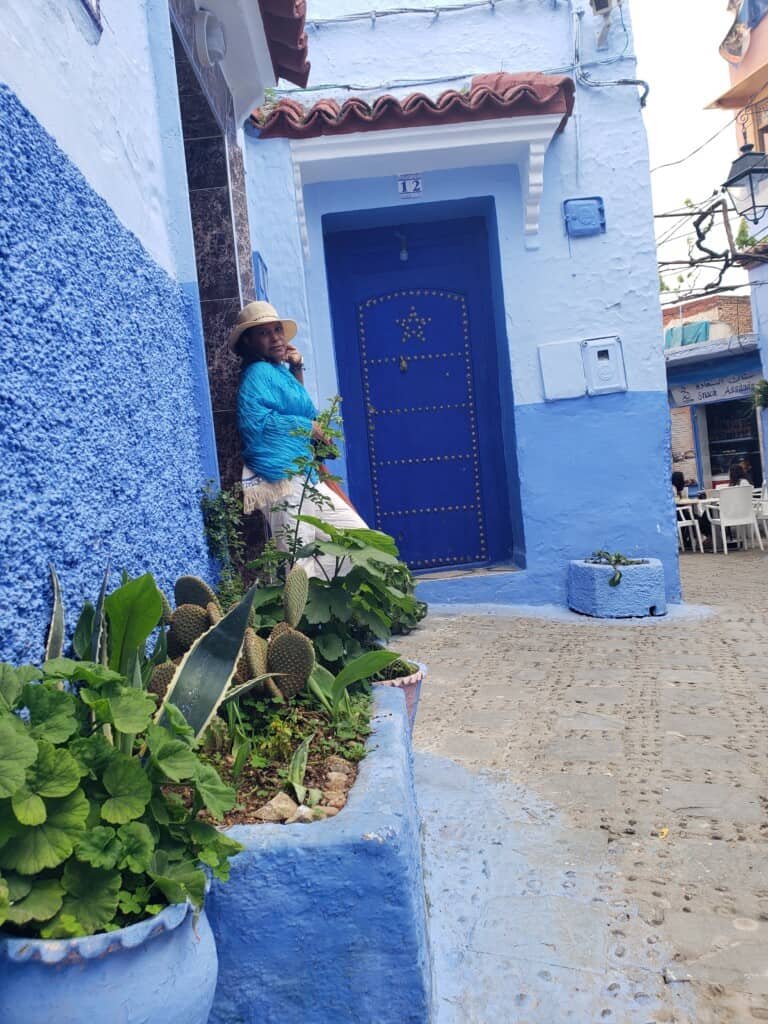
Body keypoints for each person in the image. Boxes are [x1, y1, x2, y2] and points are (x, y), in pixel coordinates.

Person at [231, 301, 368, 579]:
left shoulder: (279, 372)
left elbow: (298, 407)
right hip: (280, 479)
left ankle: (310, 595)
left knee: (359, 541)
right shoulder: (255, 375)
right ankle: (300, 614)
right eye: (264, 333)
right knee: (298, 557)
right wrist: (308, 427)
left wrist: (297, 369)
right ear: (248, 341)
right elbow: (255, 425)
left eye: (278, 330)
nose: (276, 337)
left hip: (305, 475)